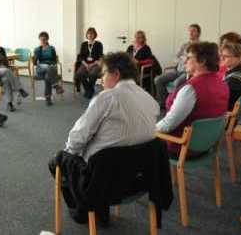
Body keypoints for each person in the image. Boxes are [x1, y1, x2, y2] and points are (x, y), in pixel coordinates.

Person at [49, 52, 160, 224]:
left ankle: (84, 210)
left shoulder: (106, 98)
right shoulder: (150, 99)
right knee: (105, 154)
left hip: (103, 180)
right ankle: (98, 210)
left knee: (57, 160)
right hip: (137, 178)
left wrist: (68, 156)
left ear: (115, 74)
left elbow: (78, 137)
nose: (101, 79)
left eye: (104, 73)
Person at [157, 42, 229, 157]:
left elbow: (168, 124)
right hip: (208, 145)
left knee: (140, 143)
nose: (185, 61)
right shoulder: (222, 84)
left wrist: (149, 130)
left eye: (189, 58)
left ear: (202, 61)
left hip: (183, 147)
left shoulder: (191, 89)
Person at [154, 24, 201, 108]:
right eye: (189, 31)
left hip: (189, 72)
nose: (190, 33)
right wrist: (183, 59)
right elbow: (175, 57)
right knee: (158, 79)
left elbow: (200, 60)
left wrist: (189, 60)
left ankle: (175, 106)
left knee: (177, 82)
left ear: (198, 33)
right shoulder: (184, 45)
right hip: (178, 70)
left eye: (193, 31)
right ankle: (162, 104)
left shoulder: (201, 46)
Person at [0, 31, 29, 111]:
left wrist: (2, 65)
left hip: (1, 71)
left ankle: (9, 104)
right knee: (6, 70)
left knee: (6, 80)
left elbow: (6, 62)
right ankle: (20, 89)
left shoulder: (2, 50)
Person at [32, 31, 64, 106]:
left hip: (50, 68)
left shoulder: (52, 48)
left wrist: (52, 64)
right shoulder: (37, 49)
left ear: (47, 39)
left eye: (44, 39)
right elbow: (34, 63)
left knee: (47, 77)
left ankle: (48, 98)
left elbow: (54, 60)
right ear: (39, 39)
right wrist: (36, 55)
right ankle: (56, 86)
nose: (42, 41)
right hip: (40, 68)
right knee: (48, 68)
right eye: (41, 39)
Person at [220, 42, 241, 110]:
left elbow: (220, 101)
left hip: (227, 115)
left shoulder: (234, 80)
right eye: (221, 55)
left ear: (238, 58)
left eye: (226, 56)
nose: (222, 58)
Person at [74, 27, 104, 99]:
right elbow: (81, 56)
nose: (90, 35)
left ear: (95, 35)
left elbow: (100, 57)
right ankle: (89, 89)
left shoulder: (99, 44)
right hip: (85, 63)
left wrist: (91, 64)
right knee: (79, 74)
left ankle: (89, 91)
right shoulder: (84, 44)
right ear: (86, 35)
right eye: (88, 34)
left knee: (93, 74)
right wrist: (86, 64)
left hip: (95, 63)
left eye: (92, 34)